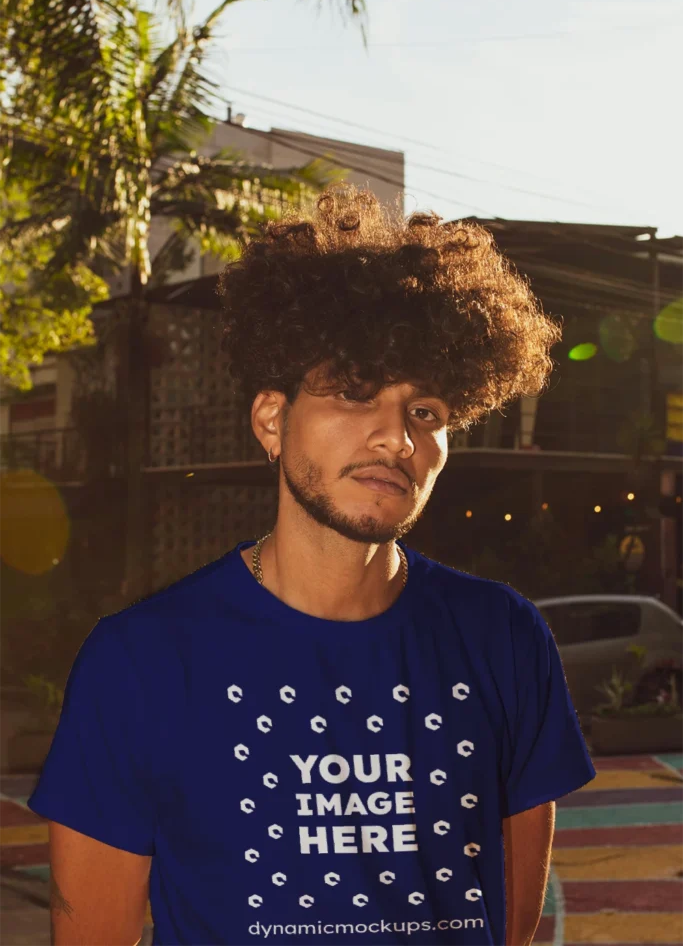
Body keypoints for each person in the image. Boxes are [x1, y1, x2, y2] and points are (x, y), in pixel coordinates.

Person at [29, 185, 596, 945]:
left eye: (424, 412)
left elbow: (509, 925)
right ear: (272, 419)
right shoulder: (141, 660)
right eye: (356, 394)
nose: (397, 437)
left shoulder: (501, 635)